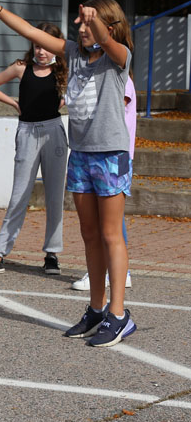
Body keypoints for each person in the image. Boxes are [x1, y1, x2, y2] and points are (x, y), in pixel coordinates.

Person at [0, 0, 137, 347]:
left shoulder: (118, 59)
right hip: (82, 155)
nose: (83, 28)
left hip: (110, 155)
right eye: (82, 22)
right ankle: (96, 309)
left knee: (109, 235)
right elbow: (27, 29)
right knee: (88, 234)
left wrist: (96, 23)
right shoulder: (72, 53)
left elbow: (107, 41)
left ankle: (119, 315)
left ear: (108, 26)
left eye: (89, 23)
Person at [0, 23, 69, 276]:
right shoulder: (21, 68)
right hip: (27, 132)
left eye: (47, 46)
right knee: (19, 195)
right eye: (37, 45)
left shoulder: (63, 72)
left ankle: (52, 255)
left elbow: (78, 92)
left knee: (55, 196)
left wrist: (66, 99)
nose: (42, 51)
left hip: (54, 133)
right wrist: (14, 102)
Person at [72, 74, 135, 290]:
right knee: (107, 222)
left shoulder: (122, 80)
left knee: (112, 225)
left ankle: (115, 272)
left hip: (115, 155)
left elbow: (111, 110)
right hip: (99, 153)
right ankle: (111, 272)